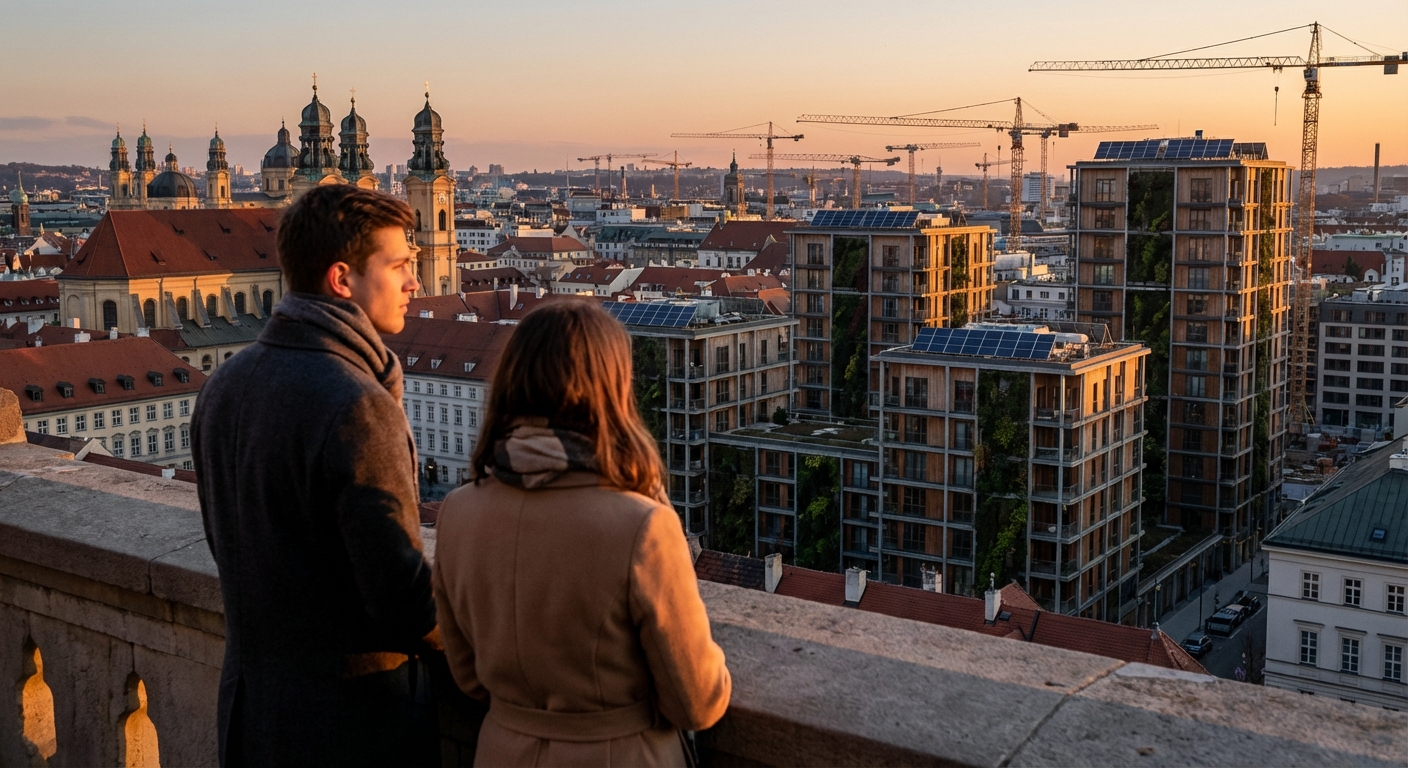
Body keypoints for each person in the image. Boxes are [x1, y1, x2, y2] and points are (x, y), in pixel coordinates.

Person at [192, 185, 439, 767]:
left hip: (251, 714)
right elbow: (400, 600)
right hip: (351, 725)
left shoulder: (223, 386)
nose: (415, 284)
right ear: (341, 279)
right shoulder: (358, 404)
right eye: (400, 265)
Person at [433, 301, 732, 767]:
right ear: (610, 390)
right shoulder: (642, 526)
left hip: (502, 750)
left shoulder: (457, 512)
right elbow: (695, 700)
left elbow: (468, 677)